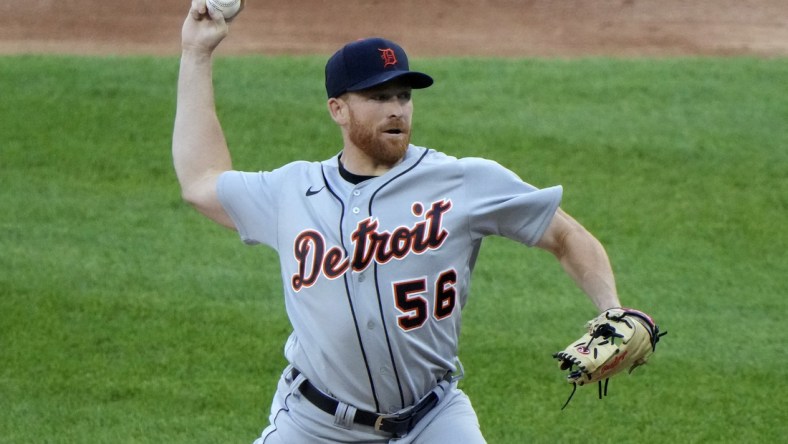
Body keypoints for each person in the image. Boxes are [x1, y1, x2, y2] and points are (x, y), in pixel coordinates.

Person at [173, 2, 621, 443]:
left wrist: (611, 309)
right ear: (338, 109)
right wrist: (197, 53)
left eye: (403, 96)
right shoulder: (291, 192)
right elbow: (200, 181)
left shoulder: (462, 181)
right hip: (315, 425)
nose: (397, 110)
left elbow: (565, 235)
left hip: (434, 418)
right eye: (378, 96)